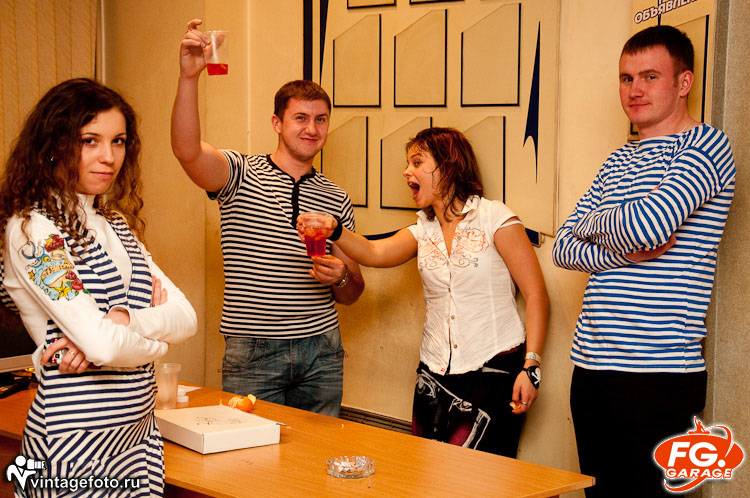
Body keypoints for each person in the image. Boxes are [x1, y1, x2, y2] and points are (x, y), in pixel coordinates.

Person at [552, 25, 736, 498]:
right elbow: (562, 247)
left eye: (650, 76)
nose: (635, 89)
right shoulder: (618, 160)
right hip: (590, 368)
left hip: (659, 374)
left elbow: (647, 227)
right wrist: (623, 242)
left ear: (683, 82)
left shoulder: (706, 146)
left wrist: (596, 224)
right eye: (626, 78)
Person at [0, 78, 197, 497]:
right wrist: (156, 343)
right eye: (90, 141)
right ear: (53, 145)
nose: (109, 157)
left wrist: (125, 320)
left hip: (137, 437)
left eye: (118, 141)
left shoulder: (116, 225)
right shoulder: (33, 231)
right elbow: (104, 346)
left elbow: (186, 318)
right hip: (71, 442)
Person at [298, 127, 549, 457]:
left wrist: (531, 368)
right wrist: (335, 229)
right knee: (427, 475)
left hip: (492, 372)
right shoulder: (422, 230)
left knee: (484, 479)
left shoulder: (494, 217)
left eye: (417, 163)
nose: (407, 172)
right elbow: (374, 253)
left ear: (448, 165)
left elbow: (536, 295)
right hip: (433, 374)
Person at [172, 19, 364, 417]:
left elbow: (353, 291)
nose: (312, 128)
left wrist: (341, 277)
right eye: (300, 118)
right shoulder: (239, 173)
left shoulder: (336, 197)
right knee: (249, 450)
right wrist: (189, 78)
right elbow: (187, 150)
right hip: (254, 351)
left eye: (321, 119)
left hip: (323, 349)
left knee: (320, 450)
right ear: (277, 123)